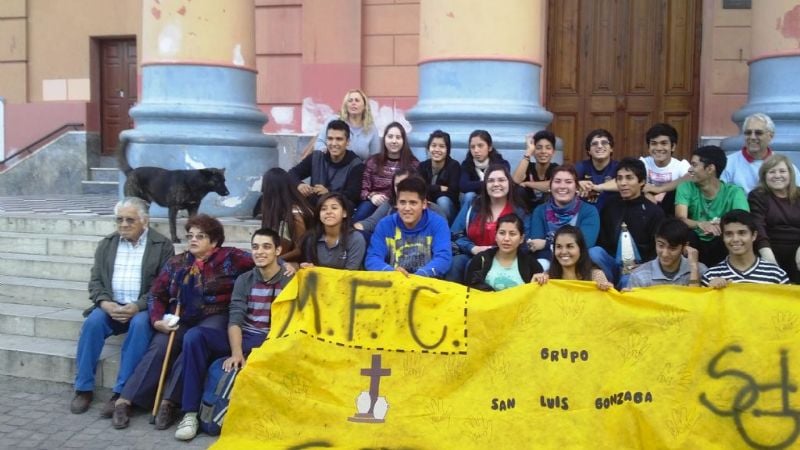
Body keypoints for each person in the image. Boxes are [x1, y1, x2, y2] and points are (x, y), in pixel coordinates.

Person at [111, 215, 254, 430]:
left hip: (215, 315)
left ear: (214, 241)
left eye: (200, 236)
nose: (193, 240)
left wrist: (287, 264)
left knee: (191, 341)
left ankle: (169, 402)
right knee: (160, 345)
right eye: (190, 236)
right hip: (183, 314)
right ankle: (126, 400)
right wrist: (157, 320)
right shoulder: (178, 262)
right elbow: (156, 295)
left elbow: (263, 259)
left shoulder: (231, 257)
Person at [172, 228, 293, 441]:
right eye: (255, 247)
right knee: (194, 336)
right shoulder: (245, 280)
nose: (260, 252)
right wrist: (236, 352)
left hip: (270, 342)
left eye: (267, 247)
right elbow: (235, 318)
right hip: (243, 337)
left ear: (278, 251)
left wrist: (293, 265)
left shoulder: (289, 280)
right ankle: (190, 413)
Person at [71, 197, 175, 416]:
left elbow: (163, 286)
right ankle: (83, 388)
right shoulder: (107, 244)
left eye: (130, 220)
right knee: (93, 323)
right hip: (111, 306)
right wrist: (105, 303)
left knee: (139, 325)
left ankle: (121, 393)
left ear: (144, 221)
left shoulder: (161, 245)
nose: (123, 225)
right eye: (119, 220)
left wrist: (138, 306)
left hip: (142, 308)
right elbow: (96, 281)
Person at [589, 158, 665, 287]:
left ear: (642, 182)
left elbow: (656, 249)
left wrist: (641, 266)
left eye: (629, 178)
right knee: (594, 252)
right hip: (612, 262)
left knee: (627, 279)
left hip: (639, 266)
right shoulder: (610, 205)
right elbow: (602, 241)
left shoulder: (654, 212)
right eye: (619, 178)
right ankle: (609, 284)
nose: (623, 183)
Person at [449, 164, 528, 282]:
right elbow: (455, 234)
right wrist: (473, 248)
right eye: (491, 181)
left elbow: (525, 243)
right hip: (471, 252)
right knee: (455, 264)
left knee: (476, 264)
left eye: (501, 180)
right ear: (485, 185)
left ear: (509, 183)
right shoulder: (473, 205)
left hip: (504, 258)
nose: (496, 184)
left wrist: (494, 251)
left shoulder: (518, 211)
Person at [675, 145, 749, 267]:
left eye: (694, 165)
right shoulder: (686, 187)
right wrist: (701, 224)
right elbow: (680, 218)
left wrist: (719, 225)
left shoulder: (734, 192)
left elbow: (742, 220)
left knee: (728, 236)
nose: (690, 169)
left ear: (710, 169)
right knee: (688, 235)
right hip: (695, 241)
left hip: (722, 241)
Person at [364, 176, 451, 278]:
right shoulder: (385, 224)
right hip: (393, 281)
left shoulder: (438, 223)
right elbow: (372, 258)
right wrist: (391, 272)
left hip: (427, 283)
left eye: (413, 203)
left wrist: (420, 275)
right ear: (396, 204)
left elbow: (443, 258)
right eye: (402, 202)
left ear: (424, 204)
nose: (407, 208)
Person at [526, 165, 600, 271]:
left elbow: (585, 244)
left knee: (595, 253)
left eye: (568, 182)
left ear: (576, 187)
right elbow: (536, 244)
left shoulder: (589, 211)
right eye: (557, 181)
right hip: (548, 260)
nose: (562, 186)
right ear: (550, 186)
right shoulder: (540, 211)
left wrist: (546, 244)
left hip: (581, 261)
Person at [702, 210, 789, 287]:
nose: (735, 239)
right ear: (723, 237)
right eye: (729, 234)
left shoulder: (776, 275)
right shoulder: (711, 276)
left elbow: (789, 305)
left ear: (754, 236)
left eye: (742, 233)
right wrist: (711, 291)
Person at [748, 154, 800, 283]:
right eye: (772, 172)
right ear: (764, 176)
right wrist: (767, 256)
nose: (777, 176)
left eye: (782, 171)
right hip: (770, 248)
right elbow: (758, 225)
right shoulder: (758, 196)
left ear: (790, 174)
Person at [354, 170, 447, 241]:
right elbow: (371, 223)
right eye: (397, 185)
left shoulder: (435, 211)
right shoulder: (389, 205)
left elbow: (442, 240)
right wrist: (350, 230)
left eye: (405, 183)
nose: (401, 188)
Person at [289, 119, 365, 206]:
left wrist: (329, 193)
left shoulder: (356, 164)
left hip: (339, 208)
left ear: (347, 142)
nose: (333, 143)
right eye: (330, 139)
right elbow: (292, 173)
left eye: (339, 139)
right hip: (314, 204)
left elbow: (353, 194)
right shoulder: (316, 157)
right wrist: (299, 184)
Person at [355, 122, 419, 221]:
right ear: (384, 139)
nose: (394, 141)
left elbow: (417, 190)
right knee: (361, 215)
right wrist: (371, 196)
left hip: (402, 202)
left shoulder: (413, 164)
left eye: (398, 137)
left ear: (403, 141)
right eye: (390, 137)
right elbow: (363, 189)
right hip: (374, 202)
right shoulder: (373, 161)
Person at [721, 113, 800, 193]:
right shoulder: (728, 163)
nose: (752, 137)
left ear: (770, 136)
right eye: (748, 133)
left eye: (758, 133)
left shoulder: (785, 165)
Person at [465, 214, 543, 291]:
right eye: (502, 233)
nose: (506, 238)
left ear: (521, 238)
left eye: (512, 234)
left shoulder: (531, 265)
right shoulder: (481, 259)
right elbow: (471, 289)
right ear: (495, 236)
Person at [627, 218, 706, 288]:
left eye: (672, 248)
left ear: (685, 246)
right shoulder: (639, 276)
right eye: (661, 246)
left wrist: (694, 269)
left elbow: (700, 303)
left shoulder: (701, 271)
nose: (665, 254)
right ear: (655, 240)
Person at [531, 225, 612, 290]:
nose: (563, 252)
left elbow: (606, 305)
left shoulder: (595, 275)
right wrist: (533, 285)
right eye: (559, 247)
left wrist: (606, 289)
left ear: (581, 249)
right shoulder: (547, 277)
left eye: (570, 246)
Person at [260, 167, 313, 265]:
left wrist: (273, 260)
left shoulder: (296, 215)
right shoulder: (276, 211)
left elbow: (300, 250)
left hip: (300, 265)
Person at [308, 89, 380, 161]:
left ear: (365, 106)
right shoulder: (334, 121)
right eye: (350, 100)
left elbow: (375, 156)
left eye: (357, 100)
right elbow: (319, 142)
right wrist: (326, 152)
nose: (353, 103)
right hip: (333, 166)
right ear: (346, 105)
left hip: (360, 169)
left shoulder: (371, 128)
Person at [300, 192, 366, 270]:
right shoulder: (311, 238)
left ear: (344, 213)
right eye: (323, 209)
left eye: (334, 208)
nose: (328, 212)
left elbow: (350, 273)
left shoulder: (356, 238)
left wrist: (319, 271)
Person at [639, 123, 690, 216]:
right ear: (648, 147)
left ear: (673, 146)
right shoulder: (643, 163)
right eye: (654, 143)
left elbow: (691, 177)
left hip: (672, 214)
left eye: (664, 143)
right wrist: (646, 194)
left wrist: (659, 189)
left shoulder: (681, 165)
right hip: (647, 214)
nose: (658, 148)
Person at [459, 130, 510, 207]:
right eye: (472, 147)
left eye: (480, 146)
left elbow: (503, 184)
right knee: (469, 195)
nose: (476, 150)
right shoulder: (467, 164)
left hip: (496, 198)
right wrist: (489, 182)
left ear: (489, 147)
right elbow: (463, 186)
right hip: (475, 202)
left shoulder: (501, 164)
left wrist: (476, 185)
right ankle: (468, 218)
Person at [419, 130, 461, 222]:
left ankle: (448, 232)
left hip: (448, 211)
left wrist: (429, 189)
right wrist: (439, 188)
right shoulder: (422, 166)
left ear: (447, 149)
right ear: (428, 148)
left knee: (443, 201)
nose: (437, 150)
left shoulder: (454, 166)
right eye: (433, 145)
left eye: (442, 146)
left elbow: (453, 192)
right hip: (426, 205)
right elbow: (419, 188)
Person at [512, 130, 559, 210]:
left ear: (553, 152)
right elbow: (515, 180)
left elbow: (552, 185)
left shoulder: (555, 168)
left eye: (548, 148)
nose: (543, 152)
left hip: (545, 212)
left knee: (549, 194)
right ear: (534, 151)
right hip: (526, 210)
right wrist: (529, 151)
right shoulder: (527, 166)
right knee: (518, 190)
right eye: (538, 148)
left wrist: (527, 183)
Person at [575, 129, 620, 212]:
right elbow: (565, 181)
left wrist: (596, 187)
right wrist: (577, 183)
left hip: (613, 214)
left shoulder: (618, 167)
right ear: (589, 151)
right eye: (594, 144)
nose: (599, 146)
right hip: (584, 214)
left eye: (604, 143)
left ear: (611, 149)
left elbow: (625, 183)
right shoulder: (581, 166)